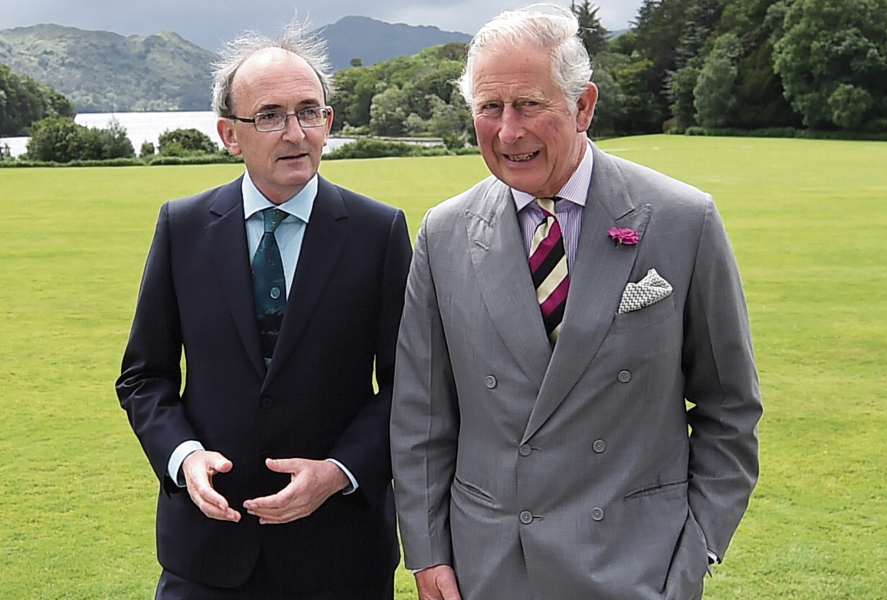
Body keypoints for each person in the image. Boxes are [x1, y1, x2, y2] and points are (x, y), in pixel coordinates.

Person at [389, 5, 762, 600]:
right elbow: (421, 417)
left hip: (637, 565)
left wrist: (697, 550)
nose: (508, 131)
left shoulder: (682, 220)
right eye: (490, 107)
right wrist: (428, 555)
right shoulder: (444, 232)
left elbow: (730, 407)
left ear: (583, 106)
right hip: (488, 570)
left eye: (529, 105)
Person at [117, 23, 411, 600]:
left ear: (329, 122)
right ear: (230, 133)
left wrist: (338, 472)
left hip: (340, 555)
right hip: (205, 553)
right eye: (271, 115)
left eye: (310, 111)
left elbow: (409, 387)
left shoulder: (381, 232)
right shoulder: (182, 227)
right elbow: (144, 376)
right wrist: (184, 458)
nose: (295, 132)